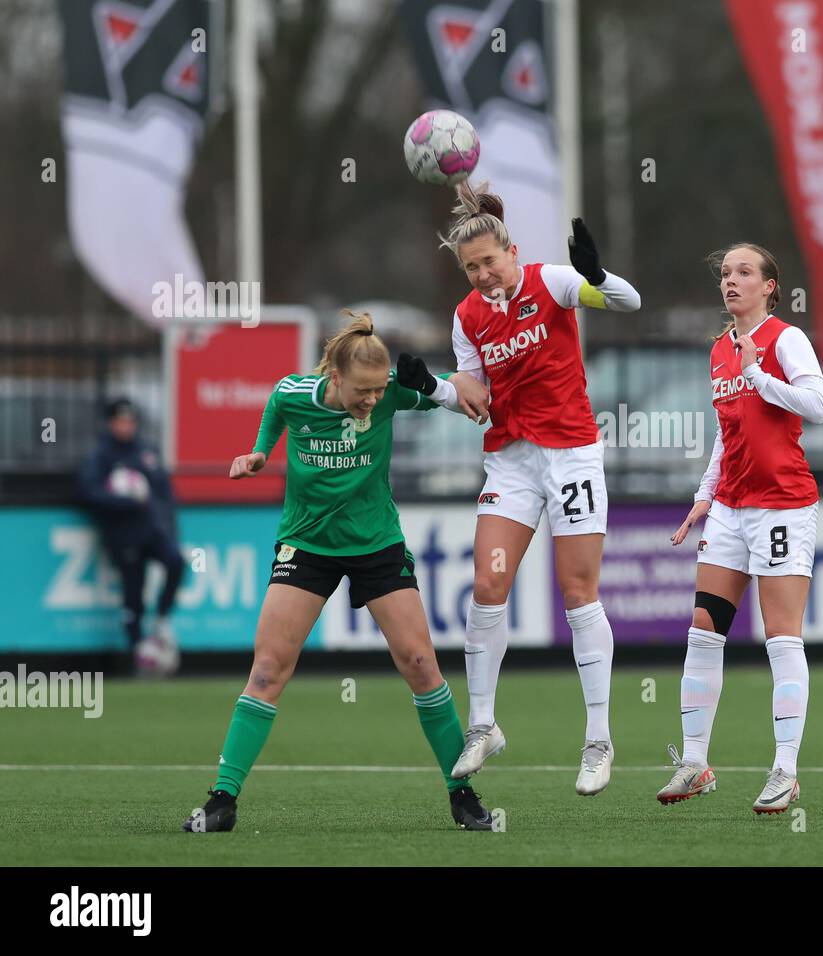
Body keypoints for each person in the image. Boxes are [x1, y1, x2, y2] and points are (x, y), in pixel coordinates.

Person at [182, 311, 495, 832]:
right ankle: (222, 801)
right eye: (361, 391)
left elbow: (460, 403)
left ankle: (461, 793)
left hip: (376, 543)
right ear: (334, 377)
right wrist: (260, 453)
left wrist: (441, 385)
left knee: (420, 662)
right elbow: (275, 414)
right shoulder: (293, 392)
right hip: (307, 544)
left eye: (378, 390)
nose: (371, 400)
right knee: (267, 670)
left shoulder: (392, 393)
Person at [435, 181, 642, 796]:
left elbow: (629, 302)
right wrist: (435, 387)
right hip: (511, 464)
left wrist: (597, 275)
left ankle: (599, 739)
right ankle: (482, 725)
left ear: (511, 252)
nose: (482, 275)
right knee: (487, 583)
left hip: (571, 456)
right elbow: (473, 399)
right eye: (471, 268)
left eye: (489, 262)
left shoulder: (551, 281)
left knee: (578, 592)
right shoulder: (466, 318)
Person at [658, 243, 823, 815]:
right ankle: (696, 762)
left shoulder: (786, 339)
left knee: (781, 637)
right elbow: (726, 435)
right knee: (704, 630)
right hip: (730, 507)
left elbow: (818, 406)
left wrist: (758, 371)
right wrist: (705, 496)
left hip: (782, 503)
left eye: (744, 273)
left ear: (770, 286)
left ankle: (785, 769)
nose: (731, 281)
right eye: (726, 273)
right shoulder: (718, 351)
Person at [79, 397, 185, 675]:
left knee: (176, 561)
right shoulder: (101, 456)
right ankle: (138, 651)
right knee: (133, 593)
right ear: (111, 423)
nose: (125, 427)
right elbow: (90, 493)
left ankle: (162, 618)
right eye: (120, 421)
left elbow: (163, 493)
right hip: (124, 536)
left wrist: (168, 526)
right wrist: (124, 500)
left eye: (129, 421)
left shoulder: (145, 451)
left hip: (152, 531)